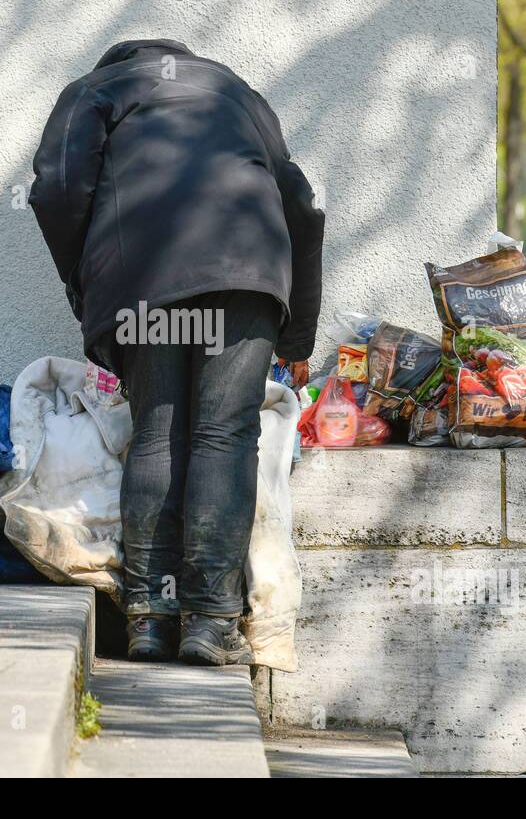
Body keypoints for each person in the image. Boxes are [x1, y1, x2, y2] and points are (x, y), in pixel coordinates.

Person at [29, 38, 324, 665]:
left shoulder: (95, 90)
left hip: (144, 280)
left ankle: (150, 620)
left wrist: (84, 281)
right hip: (247, 273)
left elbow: (55, 190)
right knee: (224, 435)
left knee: (157, 433)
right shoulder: (235, 91)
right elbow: (302, 205)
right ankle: (210, 623)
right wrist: (298, 337)